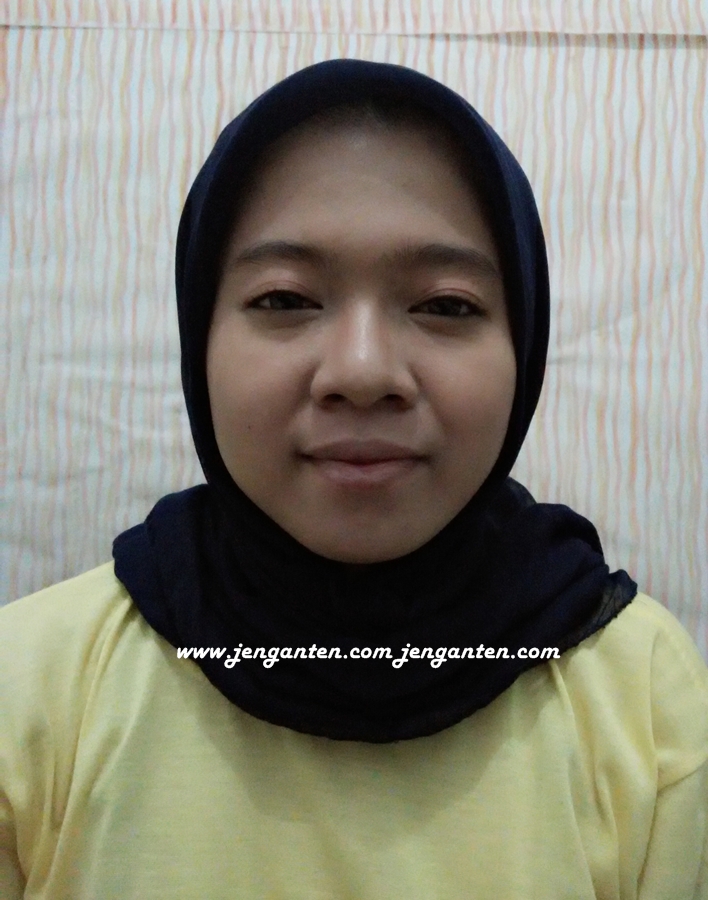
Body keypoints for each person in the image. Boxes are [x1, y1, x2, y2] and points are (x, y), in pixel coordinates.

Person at [1, 58, 706, 899]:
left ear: (525, 341)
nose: (363, 372)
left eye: (446, 305)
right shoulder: (32, 687)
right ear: (199, 336)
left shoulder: (644, 695)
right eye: (284, 299)